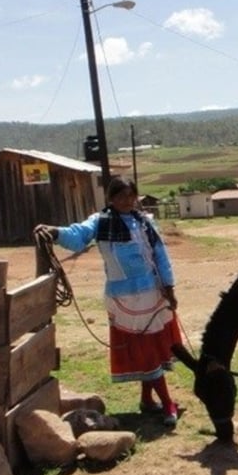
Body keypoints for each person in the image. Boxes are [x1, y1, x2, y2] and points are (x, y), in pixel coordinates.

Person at [34, 176, 182, 426]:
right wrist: (56, 233)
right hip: (124, 297)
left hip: (152, 293)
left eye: (130, 195)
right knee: (144, 349)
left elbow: (160, 255)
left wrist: (169, 287)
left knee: (151, 348)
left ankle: (149, 400)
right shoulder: (100, 222)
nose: (126, 200)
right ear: (111, 198)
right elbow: (77, 236)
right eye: (121, 196)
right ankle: (166, 402)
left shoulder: (144, 223)